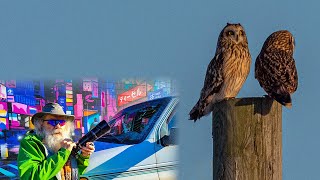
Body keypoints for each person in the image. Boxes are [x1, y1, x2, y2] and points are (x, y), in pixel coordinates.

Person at [17, 103, 95, 180]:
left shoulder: (65, 142)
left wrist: (83, 156)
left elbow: (75, 172)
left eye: (62, 122)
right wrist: (63, 153)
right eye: (52, 122)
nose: (58, 126)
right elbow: (31, 177)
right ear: (41, 124)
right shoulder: (31, 143)